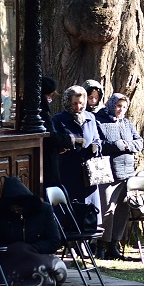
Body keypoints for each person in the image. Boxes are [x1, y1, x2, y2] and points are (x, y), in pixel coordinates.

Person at [0, 177, 73, 286]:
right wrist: (15, 249)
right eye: (12, 207)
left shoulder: (43, 210)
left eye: (19, 206)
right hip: (12, 257)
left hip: (37, 254)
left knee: (52, 268)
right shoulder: (2, 215)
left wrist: (32, 248)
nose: (15, 209)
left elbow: (54, 241)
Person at [96, 93, 144, 260]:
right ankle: (101, 245)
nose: (121, 110)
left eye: (124, 107)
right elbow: (96, 143)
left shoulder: (127, 123)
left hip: (127, 172)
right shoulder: (99, 121)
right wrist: (115, 146)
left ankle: (114, 245)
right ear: (111, 105)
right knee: (107, 209)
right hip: (109, 173)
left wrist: (127, 145)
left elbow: (140, 142)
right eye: (118, 106)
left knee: (122, 210)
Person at [50, 85, 102, 223]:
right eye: (74, 103)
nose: (78, 107)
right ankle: (72, 239)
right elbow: (55, 141)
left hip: (89, 172)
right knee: (71, 208)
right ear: (68, 102)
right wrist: (72, 142)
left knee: (90, 210)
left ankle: (91, 240)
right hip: (69, 170)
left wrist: (96, 146)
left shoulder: (90, 117)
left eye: (81, 103)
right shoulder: (58, 119)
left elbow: (97, 138)